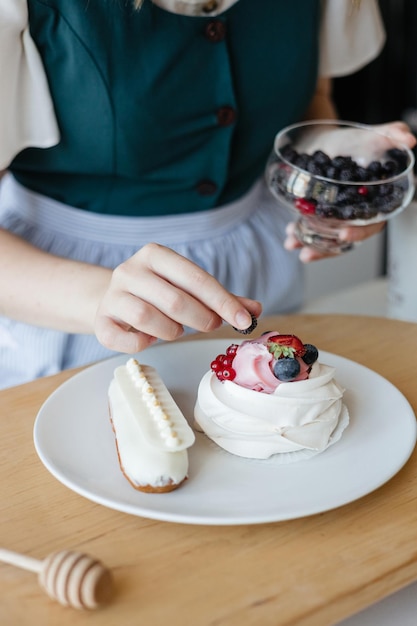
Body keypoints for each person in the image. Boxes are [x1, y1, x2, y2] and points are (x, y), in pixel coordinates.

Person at [0, 0, 414, 389]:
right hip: (64, 299)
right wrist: (99, 296)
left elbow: (312, 101)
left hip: (258, 266)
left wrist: (341, 176)